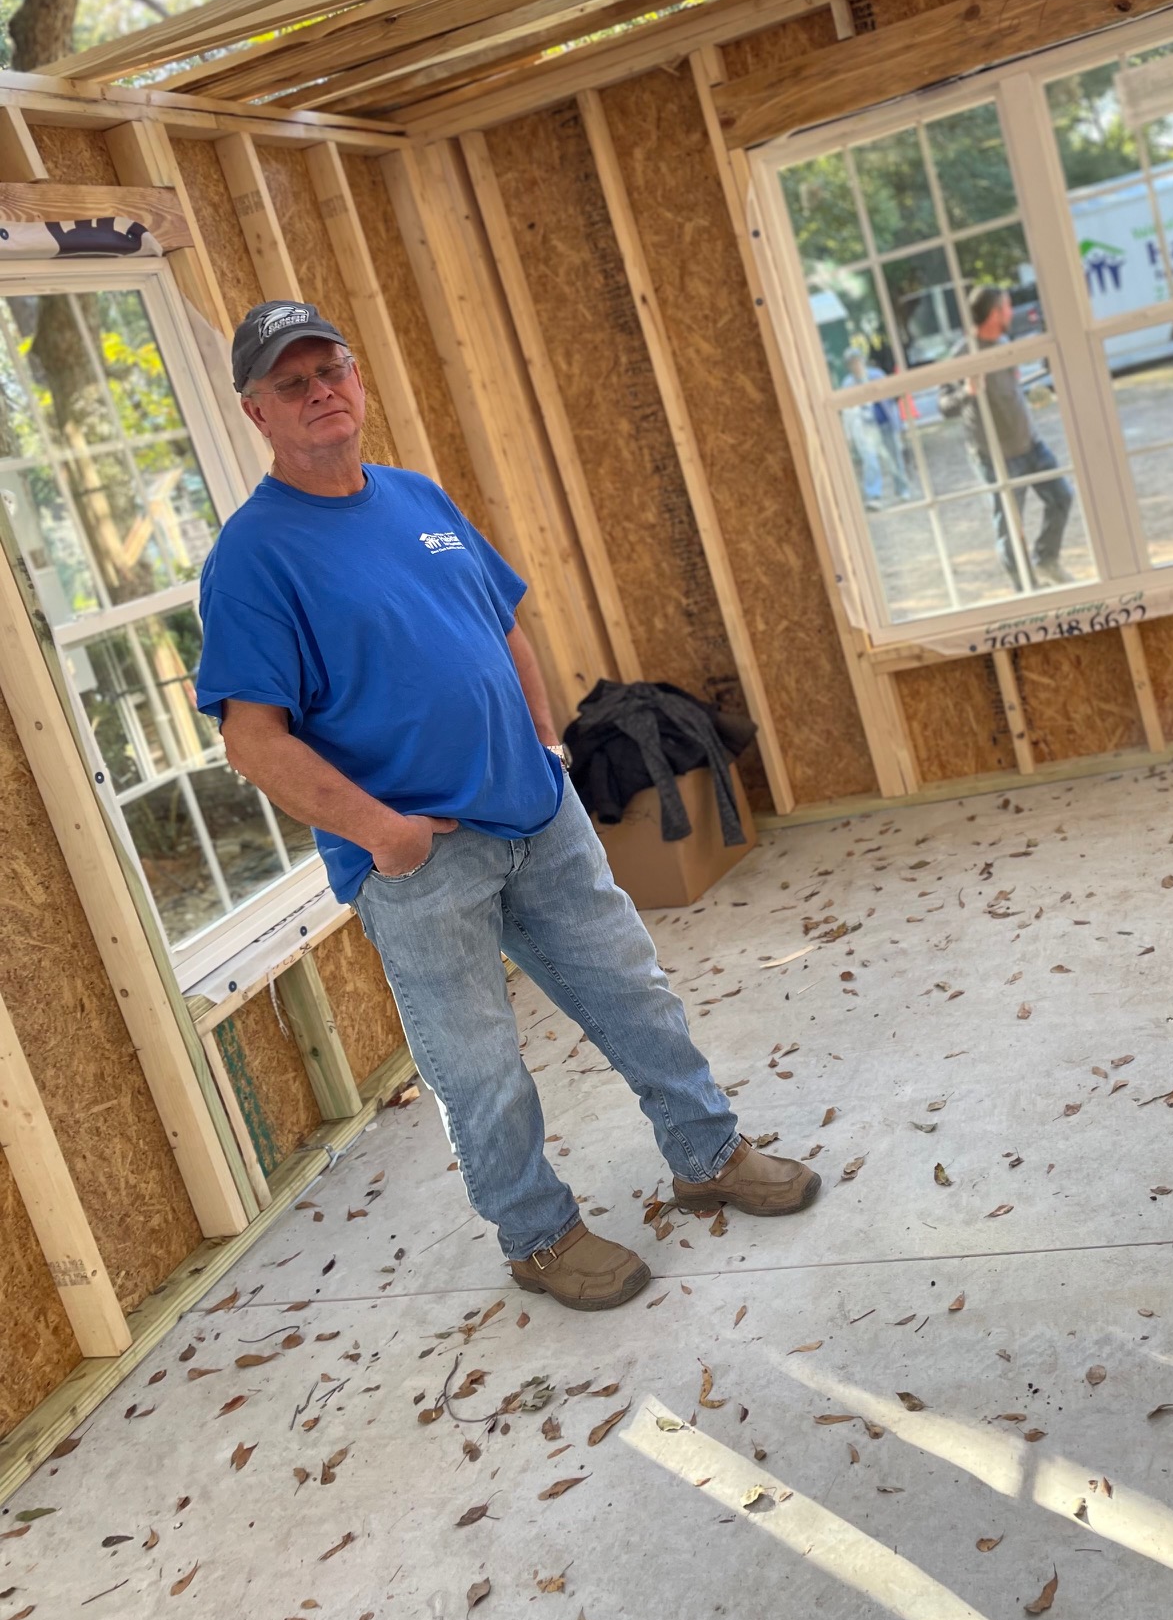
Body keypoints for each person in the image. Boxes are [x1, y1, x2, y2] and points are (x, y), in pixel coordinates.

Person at [194, 301, 820, 1312]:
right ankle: (540, 1237)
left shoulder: (415, 496)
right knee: (480, 1067)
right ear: (256, 412)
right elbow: (252, 738)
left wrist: (546, 741)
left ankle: (709, 1154)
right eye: (292, 383)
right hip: (422, 861)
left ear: (357, 378)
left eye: (331, 369)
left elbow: (506, 624)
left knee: (634, 993)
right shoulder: (254, 556)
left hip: (538, 814)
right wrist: (385, 835)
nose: (320, 393)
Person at [965, 284, 1074, 586]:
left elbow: (1008, 390)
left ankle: (1046, 560)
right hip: (996, 457)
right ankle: (1026, 588)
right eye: (1007, 307)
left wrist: (1029, 396)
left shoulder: (1004, 343)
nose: (1012, 312)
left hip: (1030, 445)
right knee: (1011, 527)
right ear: (994, 313)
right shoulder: (964, 354)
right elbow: (944, 404)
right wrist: (966, 391)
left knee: (1061, 497)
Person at [841, 342, 914, 507]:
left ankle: (902, 489)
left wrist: (899, 424)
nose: (856, 365)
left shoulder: (877, 375)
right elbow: (848, 411)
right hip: (865, 427)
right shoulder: (848, 384)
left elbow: (891, 400)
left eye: (857, 361)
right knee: (870, 461)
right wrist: (849, 434)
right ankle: (874, 495)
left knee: (894, 457)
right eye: (852, 363)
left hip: (885, 422)